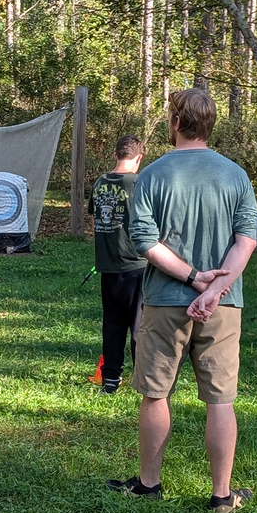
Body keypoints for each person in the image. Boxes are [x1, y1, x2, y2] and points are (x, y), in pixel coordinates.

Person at [106, 88, 257, 513]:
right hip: (223, 305)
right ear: (211, 124)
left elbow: (145, 242)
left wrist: (194, 280)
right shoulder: (235, 175)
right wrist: (212, 290)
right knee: (220, 400)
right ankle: (221, 495)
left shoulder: (152, 174)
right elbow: (247, 239)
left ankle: (149, 485)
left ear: (175, 121)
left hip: (164, 300)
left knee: (155, 395)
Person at [87, 135, 146, 395]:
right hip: (136, 265)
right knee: (139, 324)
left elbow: (96, 220)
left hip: (107, 264)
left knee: (113, 324)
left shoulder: (100, 182)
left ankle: (111, 379)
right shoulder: (139, 183)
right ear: (139, 158)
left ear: (115, 155)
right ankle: (143, 377)